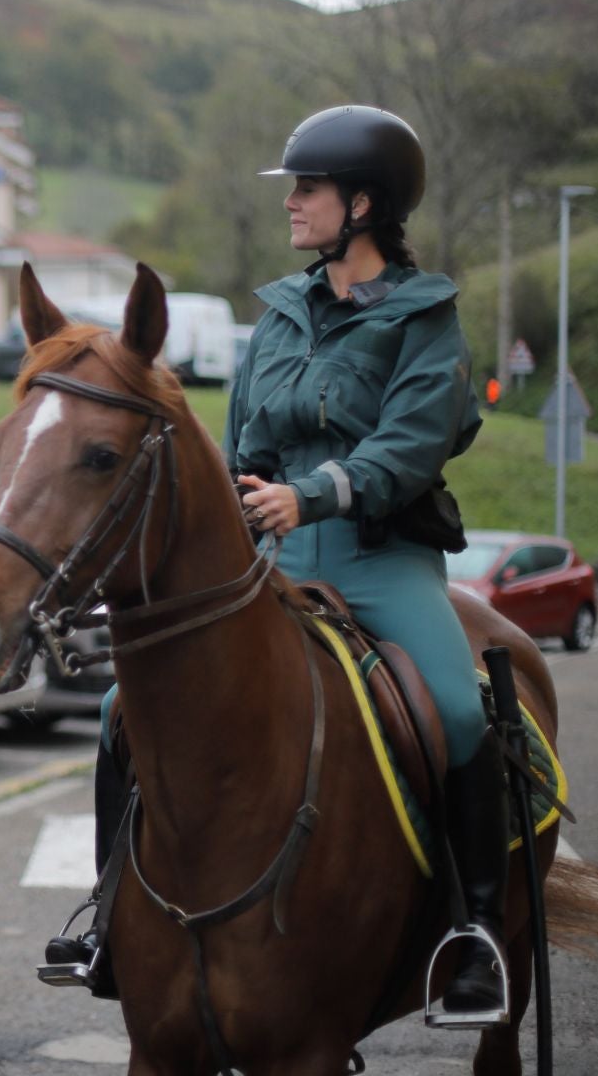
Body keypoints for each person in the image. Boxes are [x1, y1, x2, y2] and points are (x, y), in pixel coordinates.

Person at [75, 107, 504, 1026]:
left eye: (306, 189)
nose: (293, 206)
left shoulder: (427, 319)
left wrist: (315, 495)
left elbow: (415, 444)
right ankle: (113, 915)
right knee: (121, 709)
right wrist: (234, 498)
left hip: (378, 556)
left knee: (461, 709)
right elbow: (238, 442)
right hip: (266, 562)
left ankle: (477, 933)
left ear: (362, 203)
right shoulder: (276, 316)